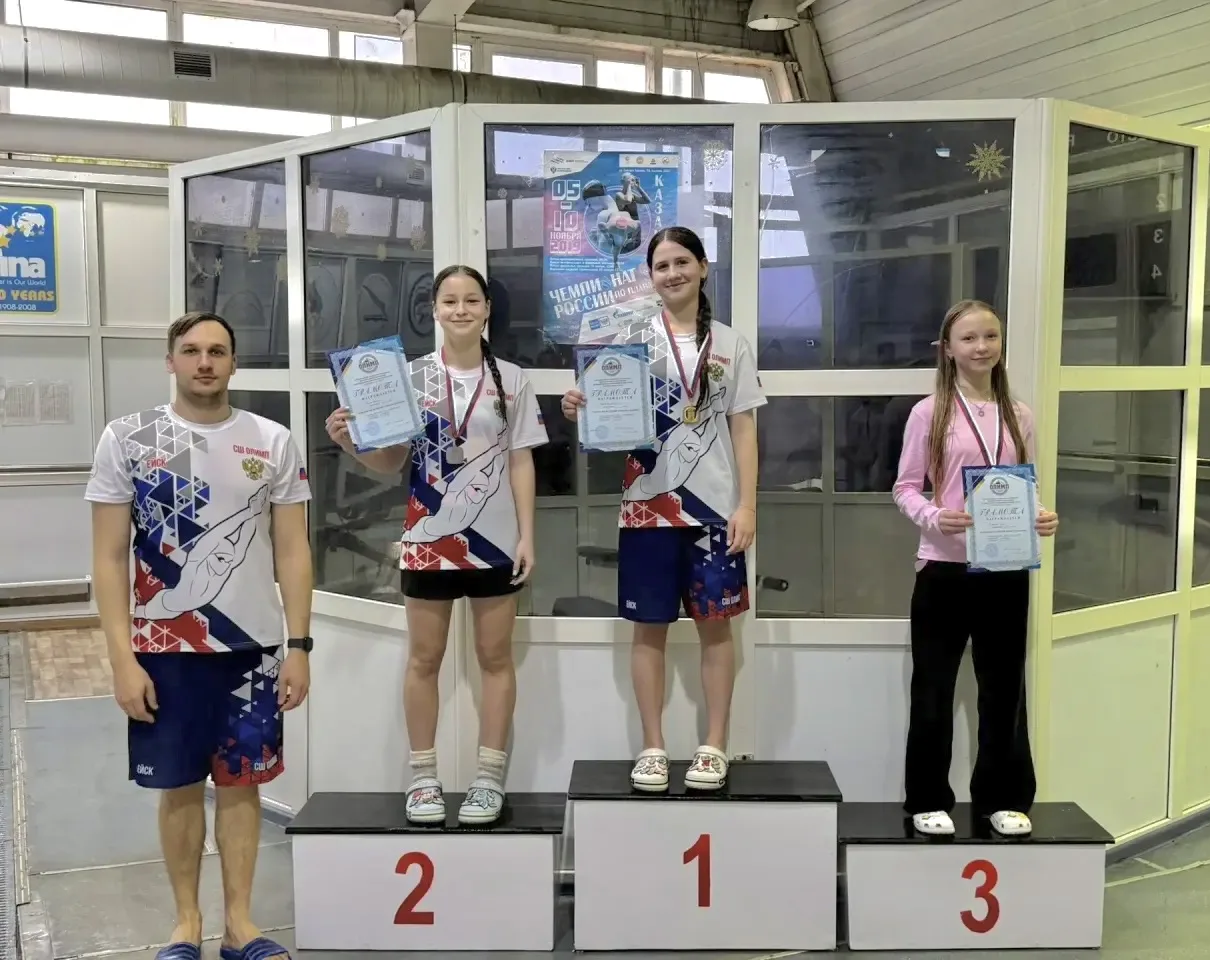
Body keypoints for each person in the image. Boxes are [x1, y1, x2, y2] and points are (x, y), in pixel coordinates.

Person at [87, 311, 312, 960]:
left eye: (217, 351)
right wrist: (122, 659)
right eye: (191, 351)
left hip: (250, 649)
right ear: (171, 361)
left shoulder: (272, 441)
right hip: (164, 650)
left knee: (242, 784)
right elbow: (108, 557)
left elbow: (293, 550)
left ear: (234, 362)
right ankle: (185, 925)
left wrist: (299, 646)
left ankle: (239, 926)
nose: (205, 362)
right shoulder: (129, 438)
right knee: (179, 785)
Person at [325, 265, 546, 826]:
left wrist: (527, 535)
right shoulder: (408, 377)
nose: (461, 310)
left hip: (495, 542)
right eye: (450, 301)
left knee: (495, 659)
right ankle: (423, 779)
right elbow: (392, 461)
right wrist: (351, 443)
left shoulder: (513, 380)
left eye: (472, 300)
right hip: (428, 539)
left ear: (487, 309)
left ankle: (488, 780)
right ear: (434, 310)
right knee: (424, 659)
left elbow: (520, 460)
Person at [561, 226, 766, 792]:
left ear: (702, 268)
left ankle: (714, 745)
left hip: (715, 512)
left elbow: (744, 429)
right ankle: (652, 747)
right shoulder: (627, 339)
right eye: (661, 266)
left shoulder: (730, 343)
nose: (672, 273)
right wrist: (579, 404)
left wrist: (747, 506)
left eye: (682, 262)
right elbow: (602, 409)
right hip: (646, 509)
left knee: (716, 632)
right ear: (649, 276)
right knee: (647, 630)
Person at [891, 299, 1059, 838]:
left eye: (990, 336)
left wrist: (1040, 515)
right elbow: (904, 488)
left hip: (1005, 568)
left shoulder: (1019, 414)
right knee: (933, 688)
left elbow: (1024, 485)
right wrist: (934, 516)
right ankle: (926, 799)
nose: (981, 347)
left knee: (1004, 689)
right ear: (947, 349)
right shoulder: (929, 413)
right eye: (968, 338)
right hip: (942, 570)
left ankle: (1002, 799)